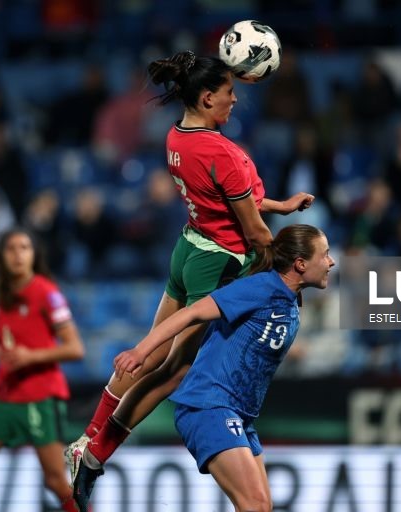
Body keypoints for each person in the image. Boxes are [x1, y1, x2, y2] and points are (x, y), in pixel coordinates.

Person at [65, 49, 314, 479]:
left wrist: (279, 205)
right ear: (205, 98)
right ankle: (97, 454)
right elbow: (255, 233)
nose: (235, 100)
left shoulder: (176, 137)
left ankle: (87, 439)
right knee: (174, 370)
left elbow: (227, 200)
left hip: (189, 250)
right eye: (228, 92)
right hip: (217, 262)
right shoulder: (225, 154)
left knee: (154, 351)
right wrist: (287, 270)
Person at [73, 224, 335, 511]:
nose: (331, 262)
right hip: (209, 406)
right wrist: (141, 350)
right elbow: (193, 313)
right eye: (325, 255)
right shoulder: (262, 288)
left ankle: (94, 456)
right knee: (255, 506)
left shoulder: (288, 298)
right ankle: (94, 453)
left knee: (261, 507)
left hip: (240, 415)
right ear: (300, 264)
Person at [0, 228, 86, 512]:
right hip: (2, 397)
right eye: (11, 249)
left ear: (33, 255)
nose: (18, 254)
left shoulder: (46, 292)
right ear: (1, 257)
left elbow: (76, 348)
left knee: (56, 481)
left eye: (24, 248)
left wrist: (31, 356)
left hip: (41, 397)